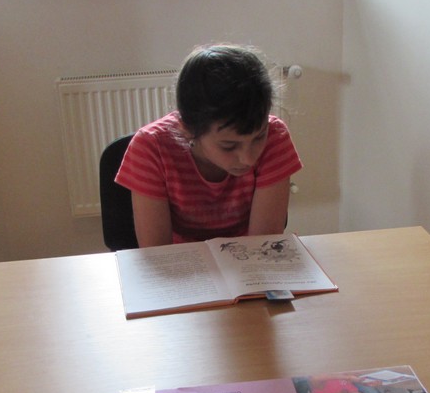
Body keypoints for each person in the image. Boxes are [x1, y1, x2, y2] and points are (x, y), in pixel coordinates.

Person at [115, 44, 303, 247]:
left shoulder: (275, 136)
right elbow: (158, 253)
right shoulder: (150, 148)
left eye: (259, 137)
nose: (248, 159)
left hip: (248, 259)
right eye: (229, 146)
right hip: (181, 260)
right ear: (188, 129)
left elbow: (262, 245)